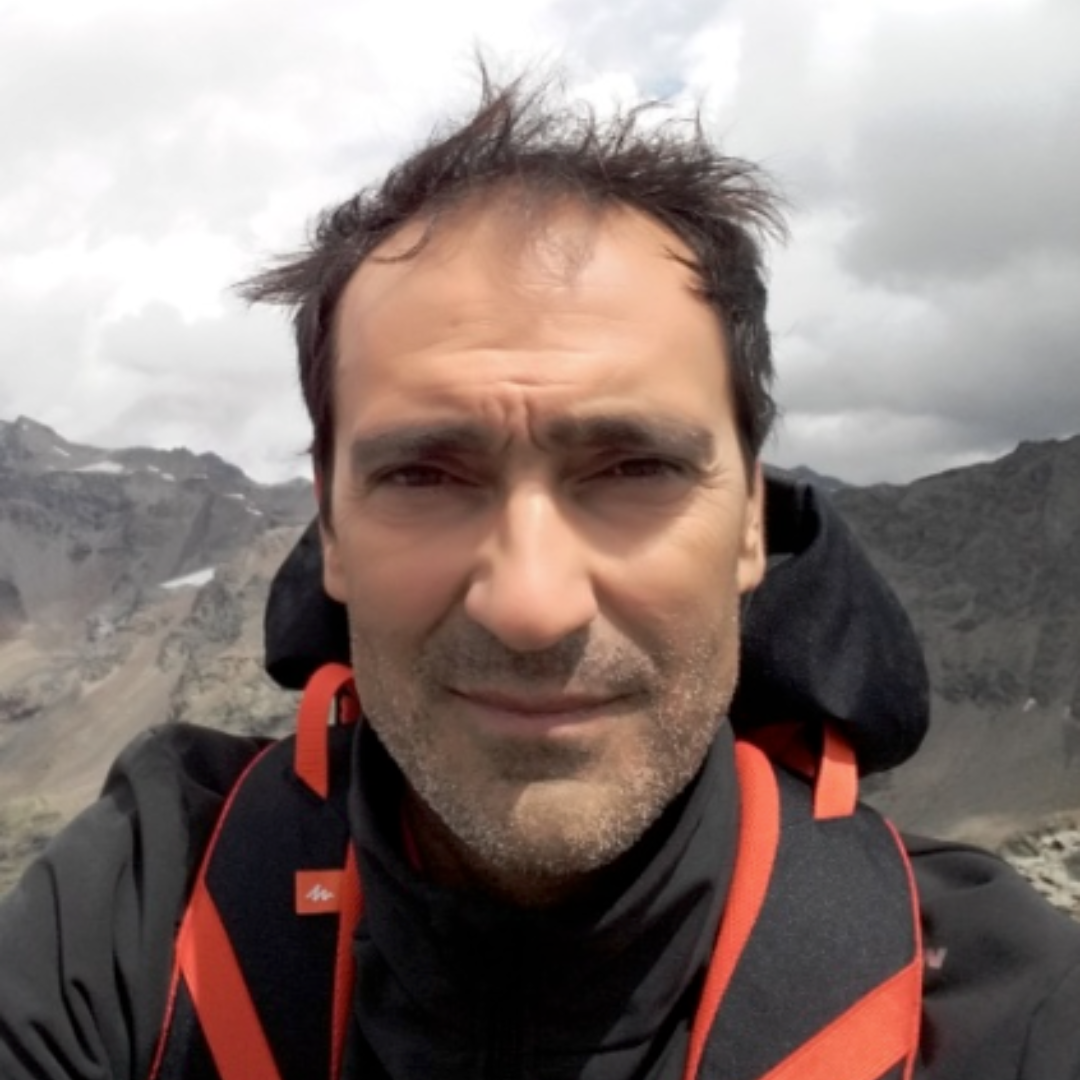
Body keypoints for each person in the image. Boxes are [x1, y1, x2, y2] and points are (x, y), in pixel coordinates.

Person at [2, 68, 1080, 1080]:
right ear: (328, 528)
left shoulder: (1002, 1011)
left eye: (636, 468)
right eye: (424, 474)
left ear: (754, 520)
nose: (530, 605)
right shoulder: (141, 913)